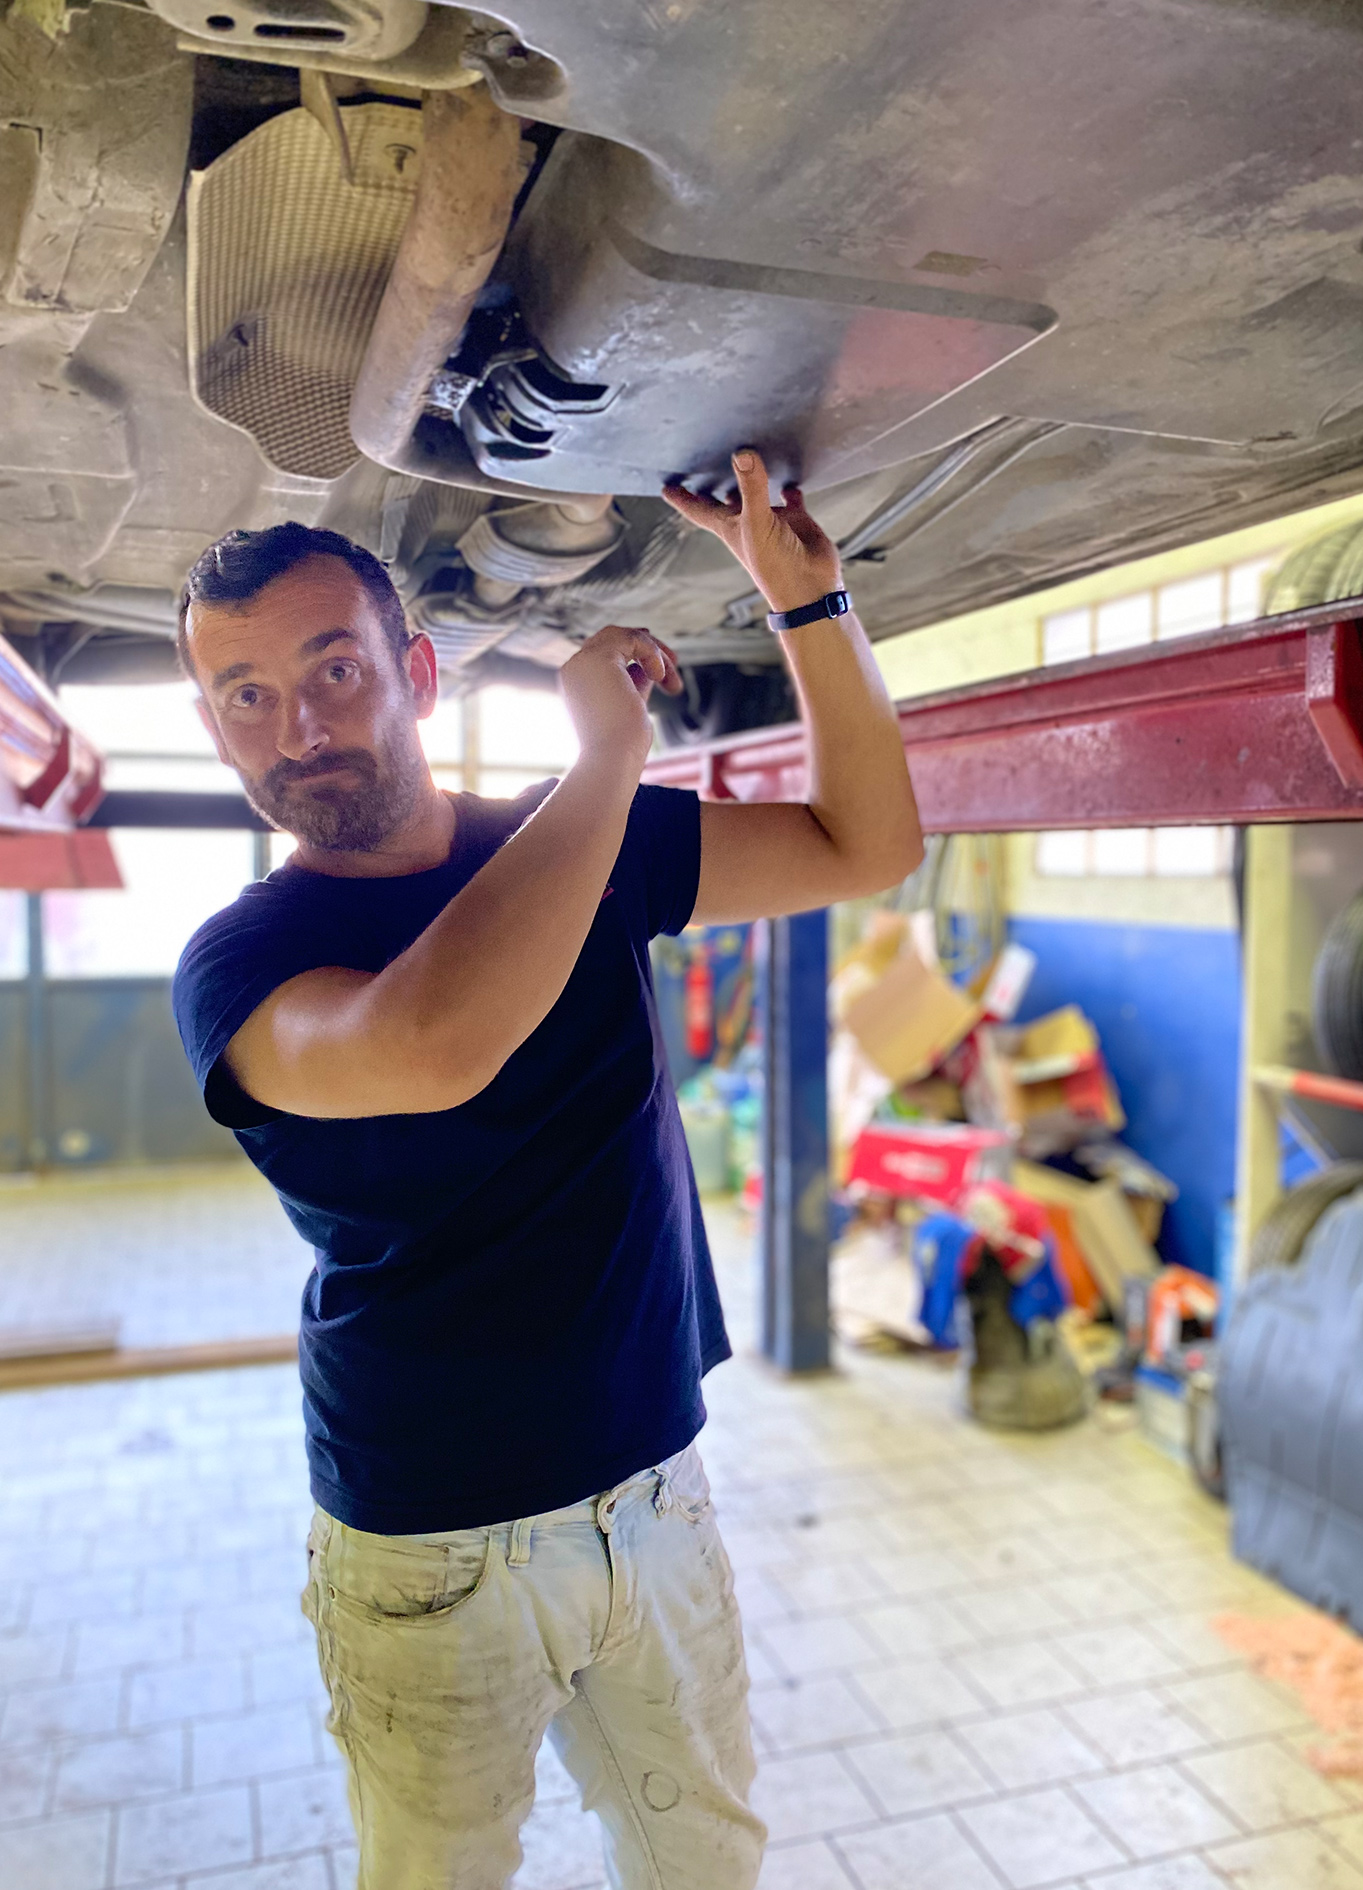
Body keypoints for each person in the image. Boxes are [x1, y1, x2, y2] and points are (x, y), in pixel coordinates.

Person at [171, 448, 923, 1890]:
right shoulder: (236, 960)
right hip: (426, 1542)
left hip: (653, 1487)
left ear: (419, 673)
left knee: (704, 1859)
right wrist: (606, 754)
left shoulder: (579, 841)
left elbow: (863, 842)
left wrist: (809, 603)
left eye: (334, 670)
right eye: (244, 695)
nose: (298, 727)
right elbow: (434, 1038)